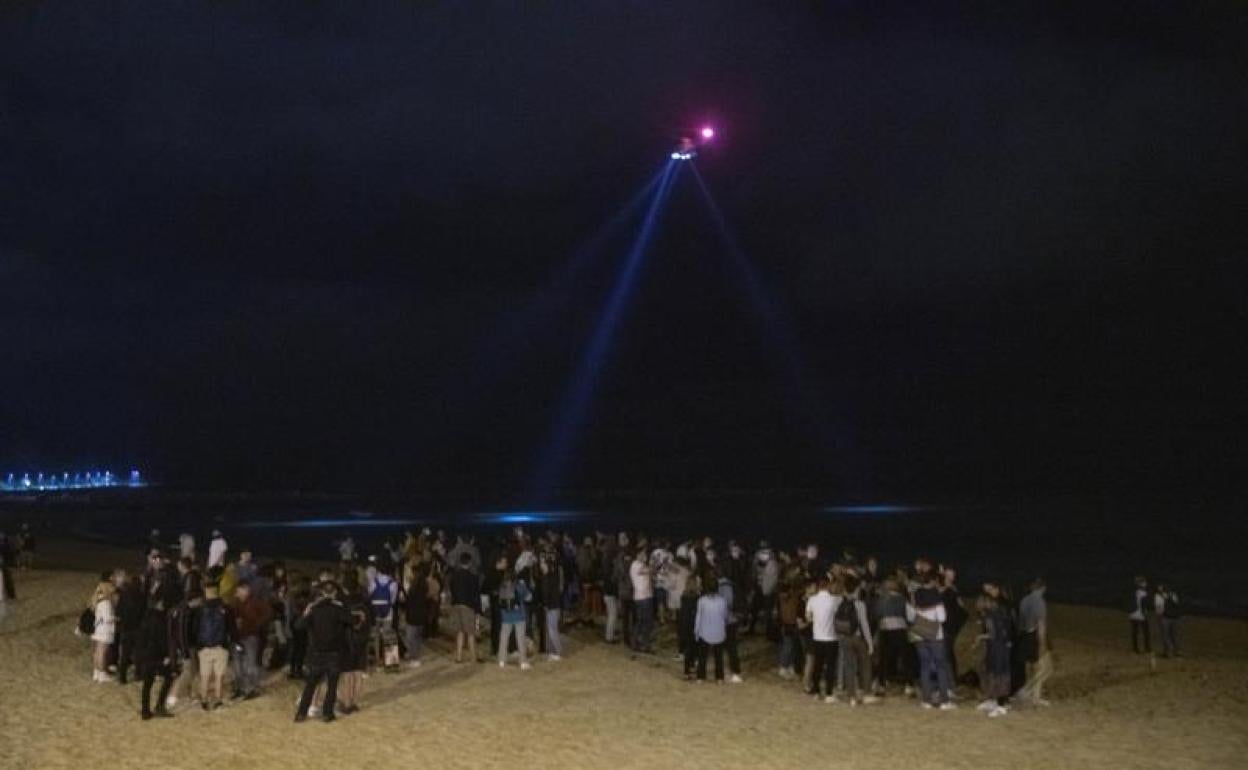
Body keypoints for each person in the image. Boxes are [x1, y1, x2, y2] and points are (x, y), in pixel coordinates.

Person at [294, 581, 353, 723]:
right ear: (334, 593)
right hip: (334, 652)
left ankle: (301, 713)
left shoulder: (314, 609)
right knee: (332, 685)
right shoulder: (338, 608)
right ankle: (327, 714)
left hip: (316, 653)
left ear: (321, 593)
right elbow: (351, 620)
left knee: (310, 685)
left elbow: (299, 626)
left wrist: (306, 612)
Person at [908, 574, 955, 710]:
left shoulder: (916, 597)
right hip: (935, 636)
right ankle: (944, 701)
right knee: (941, 667)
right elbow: (942, 618)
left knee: (924, 667)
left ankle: (926, 700)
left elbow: (911, 616)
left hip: (919, 636)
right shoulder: (936, 599)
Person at [194, 580, 235, 710]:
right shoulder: (226, 607)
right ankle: (218, 699)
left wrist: (198, 645)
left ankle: (204, 699)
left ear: (206, 591)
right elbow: (231, 628)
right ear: (218, 591)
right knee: (219, 676)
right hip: (221, 646)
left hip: (204, 647)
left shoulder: (200, 608)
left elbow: (195, 629)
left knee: (205, 676)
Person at [229, 580, 272, 700]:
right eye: (237, 590)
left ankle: (252, 688)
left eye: (240, 590)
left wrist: (257, 625)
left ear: (246, 589)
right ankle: (240, 688)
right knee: (237, 664)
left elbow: (268, 613)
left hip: (251, 637)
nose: (238, 592)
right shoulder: (235, 602)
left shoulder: (256, 601)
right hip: (237, 638)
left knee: (250, 664)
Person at [836, 576, 875, 705]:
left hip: (844, 638)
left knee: (849, 666)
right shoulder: (860, 605)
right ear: (856, 589)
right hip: (857, 638)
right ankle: (867, 692)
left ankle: (851, 695)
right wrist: (869, 643)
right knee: (865, 664)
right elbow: (864, 625)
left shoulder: (839, 602)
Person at [975, 588, 1012, 718]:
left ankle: (1001, 705)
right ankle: (993, 700)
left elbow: (994, 634)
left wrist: (980, 637)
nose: (977, 604)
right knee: (993, 672)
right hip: (997, 647)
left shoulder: (991, 615)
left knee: (998, 674)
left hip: (998, 648)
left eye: (980, 601)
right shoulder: (996, 612)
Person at [1015, 578, 1051, 705]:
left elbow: (1021, 621)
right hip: (1034, 636)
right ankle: (1027, 691)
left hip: (1025, 636)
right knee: (1045, 668)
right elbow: (1041, 625)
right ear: (1043, 588)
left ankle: (1035, 696)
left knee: (1033, 668)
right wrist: (1042, 644)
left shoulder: (1024, 600)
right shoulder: (1039, 602)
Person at [136, 602, 175, 719]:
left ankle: (145, 710)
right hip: (157, 656)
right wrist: (166, 656)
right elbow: (162, 639)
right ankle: (159, 705)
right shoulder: (160, 620)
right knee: (169, 677)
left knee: (147, 684)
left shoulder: (145, 618)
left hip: (145, 655)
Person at [804, 575, 840, 701]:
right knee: (830, 667)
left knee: (817, 666)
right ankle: (829, 693)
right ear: (828, 585)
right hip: (831, 637)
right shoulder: (835, 600)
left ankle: (816, 691)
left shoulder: (812, 600)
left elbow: (808, 618)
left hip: (817, 637)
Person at [873, 577, 910, 695]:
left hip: (885, 629)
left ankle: (882, 684)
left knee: (883, 658)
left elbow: (877, 614)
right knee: (904, 658)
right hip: (900, 629)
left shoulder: (881, 600)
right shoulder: (903, 600)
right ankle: (909, 685)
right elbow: (909, 615)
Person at [496, 566, 532, 670]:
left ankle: (501, 660)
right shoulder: (519, 585)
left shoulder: (502, 586)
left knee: (503, 638)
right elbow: (529, 597)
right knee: (520, 639)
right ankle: (523, 662)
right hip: (519, 615)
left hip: (506, 616)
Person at [448, 552, 482, 664]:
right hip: (468, 606)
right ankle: (473, 657)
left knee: (460, 632)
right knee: (471, 633)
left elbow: (452, 590)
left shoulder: (454, 576)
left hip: (456, 605)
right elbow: (475, 594)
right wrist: (478, 609)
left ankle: (458, 657)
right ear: (470, 562)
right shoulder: (473, 577)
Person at [694, 576, 729, 683]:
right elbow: (725, 616)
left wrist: (696, 632)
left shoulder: (702, 601)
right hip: (719, 632)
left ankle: (700, 677)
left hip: (705, 633)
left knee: (702, 656)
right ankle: (719, 677)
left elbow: (698, 618)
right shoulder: (722, 601)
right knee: (718, 656)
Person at [114, 571, 145, 685]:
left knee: (125, 654)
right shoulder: (142, 597)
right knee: (137, 653)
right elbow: (144, 613)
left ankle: (122, 677)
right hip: (137, 629)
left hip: (126, 628)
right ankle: (138, 674)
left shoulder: (124, 595)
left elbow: (119, 611)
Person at [401, 561, 432, 667]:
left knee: (410, 637)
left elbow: (409, 600)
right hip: (421, 614)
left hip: (413, 614)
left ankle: (414, 657)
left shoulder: (414, 587)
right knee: (417, 637)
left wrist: (404, 594)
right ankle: (415, 656)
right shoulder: (424, 585)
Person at [89, 574, 117, 682]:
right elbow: (108, 618)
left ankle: (96, 672)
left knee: (97, 652)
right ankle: (101, 674)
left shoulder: (98, 600)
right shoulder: (106, 603)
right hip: (104, 630)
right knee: (102, 652)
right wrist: (117, 619)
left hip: (97, 628)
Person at [538, 551, 564, 661]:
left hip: (552, 607)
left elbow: (547, 593)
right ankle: (554, 652)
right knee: (552, 629)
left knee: (552, 630)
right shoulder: (552, 575)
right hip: (554, 606)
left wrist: (546, 604)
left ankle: (558, 652)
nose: (540, 565)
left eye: (542, 563)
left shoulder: (548, 577)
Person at [629, 549, 655, 653]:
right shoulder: (636, 564)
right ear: (638, 554)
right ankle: (642, 644)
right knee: (644, 621)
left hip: (646, 596)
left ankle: (639, 643)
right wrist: (653, 566)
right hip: (642, 597)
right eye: (643, 554)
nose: (645, 556)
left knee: (644, 621)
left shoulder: (641, 564)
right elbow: (646, 570)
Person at [1155, 581, 1181, 658]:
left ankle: (1168, 651)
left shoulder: (1160, 595)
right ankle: (1176, 651)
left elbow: (1159, 607)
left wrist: (1159, 615)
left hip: (1166, 617)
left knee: (1166, 635)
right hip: (1175, 617)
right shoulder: (1174, 595)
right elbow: (1177, 604)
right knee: (1174, 635)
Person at [1128, 576, 1151, 654]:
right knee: (1145, 632)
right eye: (1144, 582)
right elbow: (1143, 604)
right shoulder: (1143, 592)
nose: (1145, 584)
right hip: (1140, 614)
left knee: (1135, 632)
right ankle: (1146, 648)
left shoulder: (1134, 592)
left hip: (1133, 614)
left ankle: (1135, 648)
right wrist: (1145, 613)